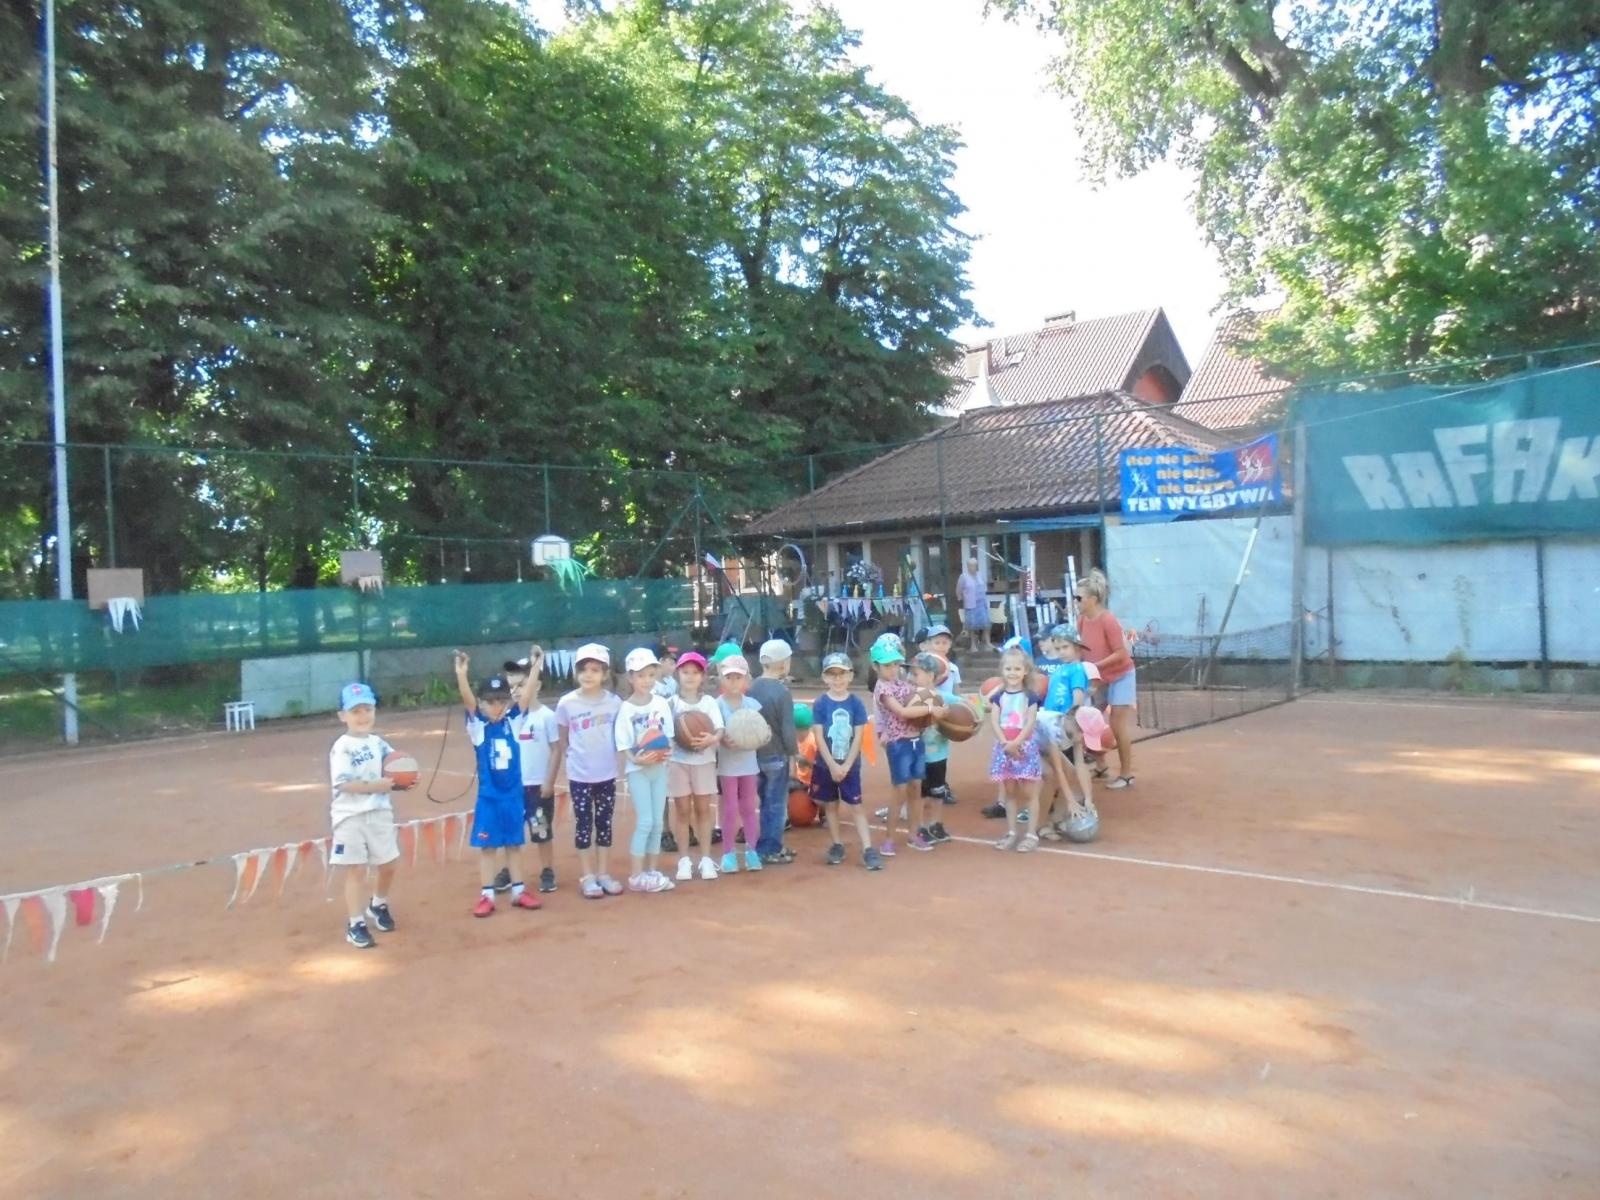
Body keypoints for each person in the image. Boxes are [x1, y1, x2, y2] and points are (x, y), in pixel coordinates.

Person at [453, 653, 542, 916]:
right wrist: (461, 674)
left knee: (514, 845)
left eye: (501, 701)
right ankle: (487, 894)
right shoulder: (478, 727)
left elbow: (525, 696)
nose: (496, 706)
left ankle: (518, 891)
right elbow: (468, 702)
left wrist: (536, 667)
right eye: (489, 702)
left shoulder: (514, 722)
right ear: (481, 704)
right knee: (488, 847)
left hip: (513, 796)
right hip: (490, 797)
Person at [328, 682, 410, 949]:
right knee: (356, 870)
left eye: (367, 709)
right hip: (349, 816)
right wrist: (379, 786)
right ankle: (355, 923)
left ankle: (378, 903)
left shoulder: (379, 743)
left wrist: (407, 779)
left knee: (389, 864)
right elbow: (342, 784)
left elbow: (397, 766)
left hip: (379, 812)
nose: (363, 716)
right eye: (355, 711)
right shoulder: (342, 747)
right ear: (343, 716)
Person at [547, 642, 624, 899]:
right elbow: (562, 738)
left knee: (604, 824)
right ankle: (587, 876)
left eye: (595, 669)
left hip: (607, 774)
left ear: (605, 673)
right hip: (580, 776)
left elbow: (622, 735)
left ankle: (603, 873)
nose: (588, 674)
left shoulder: (615, 703)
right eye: (583, 669)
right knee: (584, 824)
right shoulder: (567, 703)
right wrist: (574, 757)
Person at [810, 652, 883, 870]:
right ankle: (837, 843)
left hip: (850, 766)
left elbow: (859, 737)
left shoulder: (856, 704)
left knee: (856, 806)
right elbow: (819, 736)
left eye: (841, 674)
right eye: (832, 675)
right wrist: (832, 765)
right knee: (831, 806)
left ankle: (868, 849)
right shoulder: (821, 703)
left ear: (850, 676)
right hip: (826, 766)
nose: (837, 679)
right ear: (825, 678)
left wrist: (846, 765)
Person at [614, 647, 676, 893]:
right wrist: (637, 760)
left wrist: (666, 752)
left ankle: (652, 871)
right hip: (638, 771)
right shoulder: (626, 709)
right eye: (640, 675)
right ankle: (636, 875)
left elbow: (668, 736)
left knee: (658, 824)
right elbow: (623, 745)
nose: (646, 680)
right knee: (646, 821)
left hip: (659, 768)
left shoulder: (661, 703)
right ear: (630, 678)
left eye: (650, 675)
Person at [872, 636, 935, 854]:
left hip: (917, 740)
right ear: (876, 666)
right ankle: (889, 838)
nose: (893, 669)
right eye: (887, 665)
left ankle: (913, 834)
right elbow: (902, 712)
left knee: (916, 789)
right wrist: (932, 710)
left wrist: (933, 696)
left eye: (896, 664)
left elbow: (922, 695)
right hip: (899, 743)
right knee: (899, 791)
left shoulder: (903, 683)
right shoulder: (883, 689)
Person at [1075, 568, 1137, 788]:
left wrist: (1094, 666)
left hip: (1121, 676)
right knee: (1086, 720)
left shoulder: (1108, 620)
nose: (1076, 601)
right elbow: (1080, 649)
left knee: (1117, 724)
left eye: (1079, 597)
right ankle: (1101, 765)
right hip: (1098, 679)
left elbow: (1122, 653)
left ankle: (1127, 775)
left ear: (1092, 599)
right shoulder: (1082, 620)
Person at [505, 649, 560, 893]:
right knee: (510, 830)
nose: (515, 691)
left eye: (521, 685)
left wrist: (549, 782)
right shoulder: (507, 718)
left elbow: (556, 750)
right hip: (513, 788)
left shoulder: (547, 716)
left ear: (536, 685)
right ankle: (508, 870)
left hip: (537, 786)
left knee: (541, 829)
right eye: (512, 687)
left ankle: (547, 870)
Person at [668, 651, 724, 881]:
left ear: (702, 676)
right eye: (685, 672)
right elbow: (664, 732)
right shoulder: (670, 704)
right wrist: (679, 739)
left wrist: (711, 739)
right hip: (678, 762)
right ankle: (683, 860)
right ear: (677, 674)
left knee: (703, 810)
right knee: (682, 811)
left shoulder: (709, 703)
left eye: (695, 672)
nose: (690, 676)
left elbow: (719, 730)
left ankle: (706, 859)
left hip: (704, 762)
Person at [1034, 625, 1095, 839]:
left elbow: (1078, 695)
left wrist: (1074, 714)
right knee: (1057, 776)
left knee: (1068, 776)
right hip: (1050, 727)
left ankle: (1055, 819)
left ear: (1077, 647)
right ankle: (1044, 822)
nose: (1061, 652)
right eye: (1058, 648)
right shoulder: (1059, 670)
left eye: (1065, 647)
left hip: (1064, 724)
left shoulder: (1077, 669)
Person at [989, 646, 1043, 852]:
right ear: (1002, 670)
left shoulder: (1030, 696)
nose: (1012, 673)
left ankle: (1031, 834)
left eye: (1017, 669)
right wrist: (1004, 743)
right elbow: (994, 720)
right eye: (1008, 669)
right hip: (1004, 749)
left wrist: (1016, 742)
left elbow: (1030, 722)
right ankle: (1011, 831)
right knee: (1010, 792)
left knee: (1029, 792)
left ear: (1025, 671)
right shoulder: (999, 695)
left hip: (1024, 747)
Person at [750, 639, 799, 865]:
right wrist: (794, 754)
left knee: (763, 801)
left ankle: (762, 845)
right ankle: (771, 847)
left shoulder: (752, 687)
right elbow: (787, 729)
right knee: (776, 803)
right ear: (782, 663)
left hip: (755, 754)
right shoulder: (781, 692)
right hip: (777, 755)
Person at [715, 655, 765, 874]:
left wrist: (761, 738)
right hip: (727, 766)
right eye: (729, 677)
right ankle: (728, 853)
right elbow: (714, 733)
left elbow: (764, 732)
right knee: (730, 808)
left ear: (746, 680)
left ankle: (752, 851)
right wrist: (723, 739)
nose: (734, 682)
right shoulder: (716, 706)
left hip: (748, 764)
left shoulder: (752, 705)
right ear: (721, 681)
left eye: (738, 677)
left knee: (748, 808)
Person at [909, 652, 955, 843]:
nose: (911, 678)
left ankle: (936, 825)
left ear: (930, 676)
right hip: (916, 755)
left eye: (915, 674)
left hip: (938, 755)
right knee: (919, 794)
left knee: (937, 792)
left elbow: (966, 707)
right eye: (910, 674)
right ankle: (919, 827)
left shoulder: (944, 697)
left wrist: (971, 720)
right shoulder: (909, 698)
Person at [957, 558, 992, 652]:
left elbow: (984, 586)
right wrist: (961, 598)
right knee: (972, 626)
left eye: (974, 565)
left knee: (986, 624)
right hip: (970, 604)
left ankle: (987, 643)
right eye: (971, 565)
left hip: (981, 603)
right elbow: (959, 589)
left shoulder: (980, 575)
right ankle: (973, 645)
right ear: (968, 566)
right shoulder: (963, 577)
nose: (973, 567)